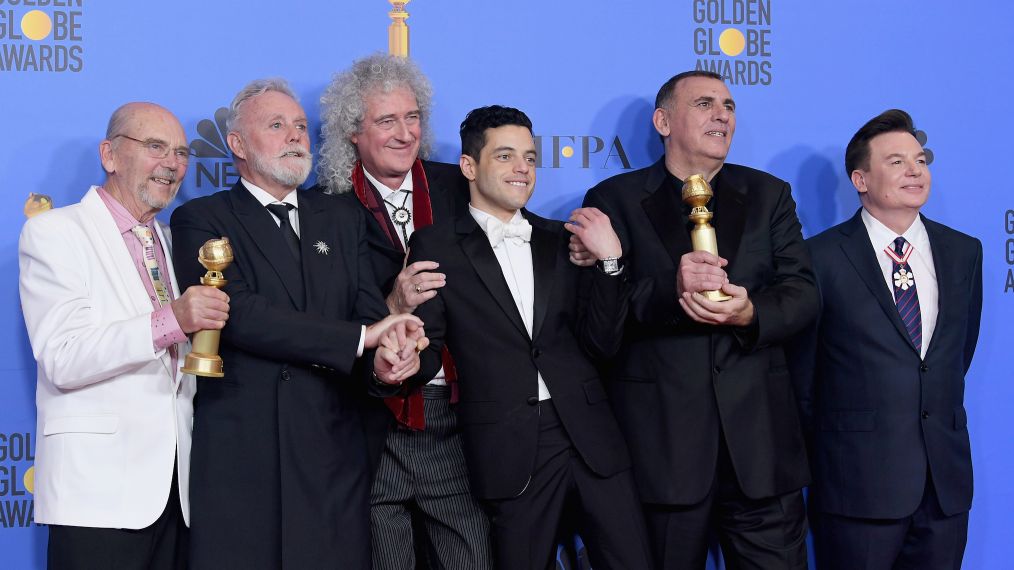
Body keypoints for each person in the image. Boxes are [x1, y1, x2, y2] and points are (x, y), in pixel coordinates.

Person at [170, 78, 425, 569]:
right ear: (237, 145)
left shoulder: (342, 218)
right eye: (277, 125)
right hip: (246, 457)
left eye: (302, 126)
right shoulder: (202, 218)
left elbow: (368, 313)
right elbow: (237, 314)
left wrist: (389, 359)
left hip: (335, 454)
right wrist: (360, 338)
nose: (295, 135)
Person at [574, 70, 818, 568]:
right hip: (663, 457)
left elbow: (803, 294)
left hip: (761, 457)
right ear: (663, 121)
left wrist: (750, 310)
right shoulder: (613, 200)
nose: (722, 115)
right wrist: (671, 289)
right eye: (705, 104)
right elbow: (601, 327)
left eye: (728, 106)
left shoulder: (770, 195)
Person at [408, 105, 653, 570]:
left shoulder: (564, 240)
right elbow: (429, 343)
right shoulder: (435, 246)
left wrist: (610, 264)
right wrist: (392, 359)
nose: (522, 168)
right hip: (508, 445)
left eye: (530, 157)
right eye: (505, 156)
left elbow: (603, 343)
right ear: (468, 166)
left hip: (590, 436)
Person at [18, 102, 230, 569]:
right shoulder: (56, 233)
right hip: (97, 494)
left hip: (176, 494)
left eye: (180, 152)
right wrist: (172, 319)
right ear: (110, 155)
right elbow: (63, 356)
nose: (172, 164)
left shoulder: (177, 242)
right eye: (155, 147)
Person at [315, 54, 489, 570]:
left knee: (472, 558)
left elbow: (517, 244)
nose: (404, 132)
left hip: (458, 415)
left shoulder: (460, 185)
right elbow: (320, 318)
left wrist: (583, 247)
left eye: (412, 117)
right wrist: (393, 305)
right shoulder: (322, 208)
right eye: (386, 121)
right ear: (353, 131)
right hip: (371, 421)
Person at [790, 109, 982, 570]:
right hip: (856, 487)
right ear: (860, 179)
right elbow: (803, 375)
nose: (915, 170)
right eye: (896, 162)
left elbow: (956, 355)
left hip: (944, 488)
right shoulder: (819, 258)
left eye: (920, 159)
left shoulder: (964, 251)